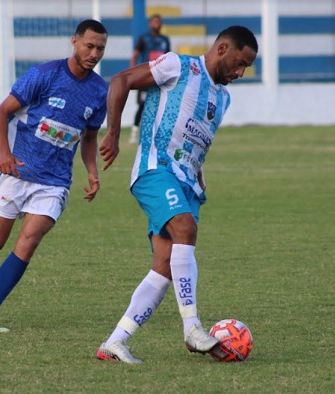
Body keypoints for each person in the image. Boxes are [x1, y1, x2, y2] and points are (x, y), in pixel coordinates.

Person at [97, 25, 259, 363]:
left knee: (165, 267)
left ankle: (115, 342)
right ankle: (192, 328)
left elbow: (197, 139)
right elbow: (120, 80)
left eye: (246, 67)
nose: (241, 72)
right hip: (155, 170)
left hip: (187, 184)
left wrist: (199, 174)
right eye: (240, 63)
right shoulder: (178, 66)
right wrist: (113, 133)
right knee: (186, 229)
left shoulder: (223, 97)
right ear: (223, 48)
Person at [0, 19, 108, 332]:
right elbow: (1, 112)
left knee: (29, 241)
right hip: (19, 171)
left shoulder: (100, 92)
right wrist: (4, 154)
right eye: (89, 45)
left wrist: (91, 171)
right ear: (73, 41)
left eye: (100, 48)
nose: (95, 53)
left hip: (55, 183)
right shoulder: (44, 75)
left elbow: (88, 138)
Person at [128, 14, 171, 144]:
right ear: (150, 24)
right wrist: (133, 72)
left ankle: (157, 134)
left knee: (161, 106)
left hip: (161, 78)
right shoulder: (144, 38)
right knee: (142, 105)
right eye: (155, 22)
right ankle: (134, 132)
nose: (157, 24)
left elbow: (169, 57)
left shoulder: (165, 40)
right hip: (147, 77)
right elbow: (135, 55)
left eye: (159, 21)